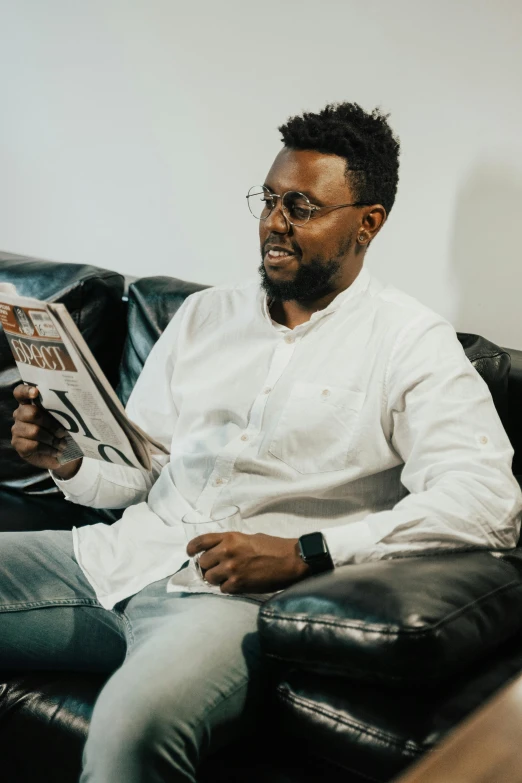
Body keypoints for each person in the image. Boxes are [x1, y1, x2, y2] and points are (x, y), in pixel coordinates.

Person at [7, 102, 522, 782]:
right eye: (270, 200)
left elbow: (486, 500)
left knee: (129, 732)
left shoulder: (410, 343)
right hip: (116, 556)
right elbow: (146, 468)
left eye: (303, 206)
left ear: (368, 222)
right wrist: (68, 460)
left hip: (230, 607)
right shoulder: (203, 316)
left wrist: (307, 552)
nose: (275, 224)